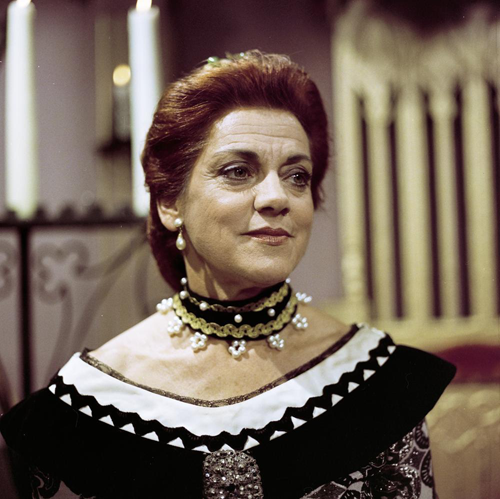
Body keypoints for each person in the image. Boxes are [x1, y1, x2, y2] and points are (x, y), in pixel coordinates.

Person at [0, 51, 455, 499]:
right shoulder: (82, 407)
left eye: (297, 176)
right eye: (238, 171)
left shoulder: (380, 382)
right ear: (170, 203)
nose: (277, 197)